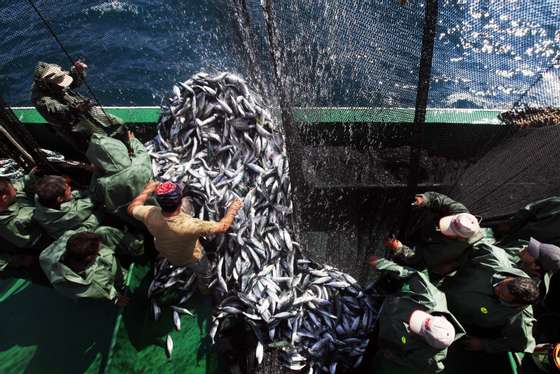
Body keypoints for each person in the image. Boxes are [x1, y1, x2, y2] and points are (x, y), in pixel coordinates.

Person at [128, 181, 243, 292]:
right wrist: (233, 209)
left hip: (165, 251)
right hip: (191, 258)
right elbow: (223, 227)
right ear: (179, 202)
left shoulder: (150, 213)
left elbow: (132, 208)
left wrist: (148, 189)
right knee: (205, 273)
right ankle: (204, 289)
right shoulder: (190, 225)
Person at [369, 256, 465, 373]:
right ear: (441, 317)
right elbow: (413, 274)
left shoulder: (427, 360)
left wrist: (390, 356)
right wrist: (381, 264)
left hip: (380, 334)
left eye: (419, 329)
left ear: (427, 342)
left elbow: (405, 366)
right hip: (390, 301)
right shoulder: (431, 297)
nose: (411, 324)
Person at [440, 242, 538, 353]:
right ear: (510, 277)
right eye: (500, 284)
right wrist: (453, 262)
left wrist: (484, 344)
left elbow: (522, 345)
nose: (495, 289)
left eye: (500, 295)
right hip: (437, 288)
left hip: (448, 324)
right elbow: (470, 245)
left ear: (515, 305)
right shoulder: (493, 258)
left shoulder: (520, 318)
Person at [31, 60, 127, 151]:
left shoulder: (55, 78)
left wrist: (77, 71)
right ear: (46, 83)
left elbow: (73, 82)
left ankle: (127, 146)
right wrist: (75, 109)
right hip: (73, 123)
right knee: (99, 145)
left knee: (118, 123)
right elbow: (58, 110)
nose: (63, 85)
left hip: (84, 109)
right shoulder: (41, 99)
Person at [386, 191, 484, 275]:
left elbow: (418, 259)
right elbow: (440, 200)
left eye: (451, 229)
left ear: (459, 237)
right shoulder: (461, 213)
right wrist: (425, 199)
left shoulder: (445, 250)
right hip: (425, 231)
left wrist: (399, 248)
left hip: (421, 246)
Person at [39, 227, 130, 305]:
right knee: (111, 259)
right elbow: (105, 293)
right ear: (89, 258)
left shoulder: (46, 257)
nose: (99, 252)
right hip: (93, 289)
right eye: (97, 251)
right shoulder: (92, 286)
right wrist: (115, 298)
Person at [86, 131, 153, 224]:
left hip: (132, 220)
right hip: (154, 211)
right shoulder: (138, 165)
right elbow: (142, 152)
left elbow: (95, 195)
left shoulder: (103, 184)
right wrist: (133, 141)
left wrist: (97, 170)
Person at [0, 175, 48, 273]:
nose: (15, 189)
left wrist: (32, 175)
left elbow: (20, 184)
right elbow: (44, 216)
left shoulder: (8, 198)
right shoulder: (13, 222)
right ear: (4, 198)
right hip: (34, 246)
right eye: (12, 189)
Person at [33, 175, 99, 239]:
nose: (70, 188)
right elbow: (94, 197)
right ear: (60, 199)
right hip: (71, 234)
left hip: (55, 230)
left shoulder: (39, 197)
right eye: (67, 188)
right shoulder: (74, 212)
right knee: (96, 216)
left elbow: (71, 196)